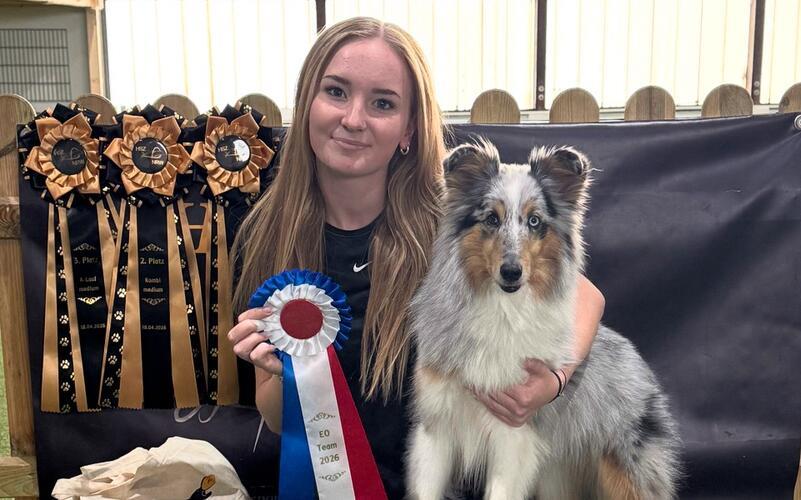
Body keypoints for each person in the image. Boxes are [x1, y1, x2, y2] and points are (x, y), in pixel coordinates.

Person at [227, 16, 605, 498]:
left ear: (408, 128)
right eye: (336, 91)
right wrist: (281, 373)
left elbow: (586, 297)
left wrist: (551, 382)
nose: (354, 119)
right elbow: (278, 419)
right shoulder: (266, 234)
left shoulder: (447, 225)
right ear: (307, 104)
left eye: (382, 102)